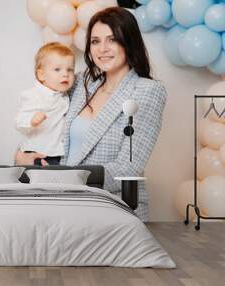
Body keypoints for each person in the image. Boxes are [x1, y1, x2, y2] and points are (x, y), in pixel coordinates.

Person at [16, 7, 168, 221]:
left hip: (113, 206)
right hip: (61, 201)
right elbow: (44, 113)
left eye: (112, 39)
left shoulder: (147, 91)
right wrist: (24, 154)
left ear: (129, 41)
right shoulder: (80, 83)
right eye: (95, 41)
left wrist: (63, 179)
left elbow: (129, 167)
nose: (102, 49)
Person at [15, 42, 75, 165]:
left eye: (70, 70)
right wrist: (32, 120)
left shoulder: (64, 94)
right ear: (41, 75)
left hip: (56, 153)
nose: (65, 74)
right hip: (36, 152)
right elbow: (19, 121)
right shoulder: (33, 95)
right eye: (57, 69)